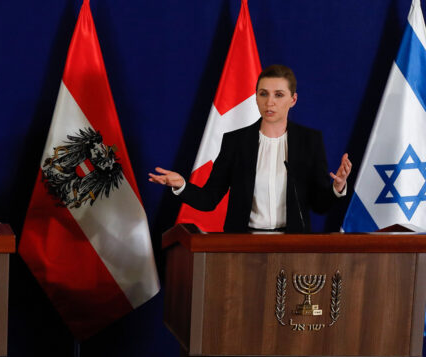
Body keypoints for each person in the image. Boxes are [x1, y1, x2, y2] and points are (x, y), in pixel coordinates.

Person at [148, 64, 353, 233]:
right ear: (255, 97)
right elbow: (209, 199)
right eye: (263, 94)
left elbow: (319, 205)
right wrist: (182, 185)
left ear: (293, 100)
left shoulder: (309, 141)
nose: (270, 102)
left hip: (293, 247)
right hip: (243, 245)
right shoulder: (236, 141)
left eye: (279, 95)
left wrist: (337, 187)